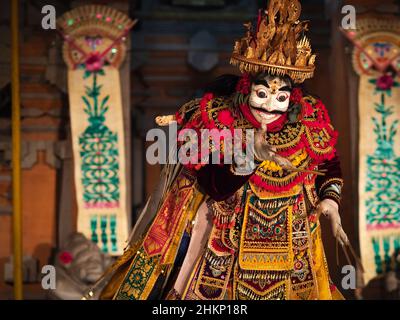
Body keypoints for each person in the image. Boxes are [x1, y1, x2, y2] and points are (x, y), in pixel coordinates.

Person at [92, 0, 348, 300]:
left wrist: (330, 200)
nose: (268, 106)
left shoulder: (308, 121)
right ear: (246, 88)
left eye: (279, 97)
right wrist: (250, 156)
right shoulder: (217, 120)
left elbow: (328, 162)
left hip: (295, 244)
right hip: (224, 244)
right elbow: (213, 185)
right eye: (262, 94)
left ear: (291, 98)